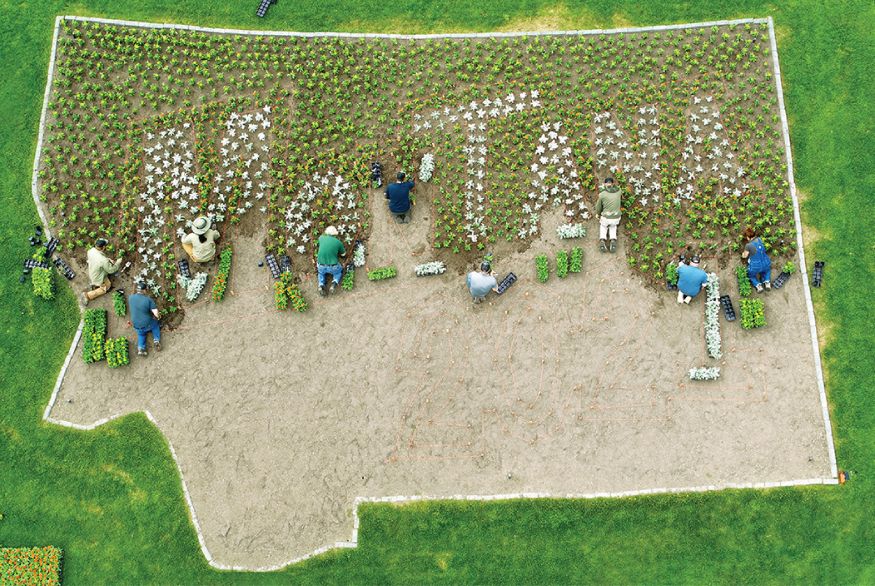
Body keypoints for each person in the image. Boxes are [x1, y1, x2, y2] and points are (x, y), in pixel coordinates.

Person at [83, 238, 123, 305]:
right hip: (97, 278)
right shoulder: (103, 260)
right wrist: (118, 262)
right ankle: (88, 295)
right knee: (107, 286)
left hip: (92, 271)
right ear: (104, 247)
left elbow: (98, 259)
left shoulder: (91, 251)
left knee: (104, 267)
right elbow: (111, 270)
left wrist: (108, 260)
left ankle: (96, 283)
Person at [128, 282, 161, 357]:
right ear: (144, 290)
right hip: (147, 324)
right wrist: (158, 317)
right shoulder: (148, 300)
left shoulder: (130, 298)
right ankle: (156, 340)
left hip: (135, 324)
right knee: (155, 325)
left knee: (141, 334)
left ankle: (141, 348)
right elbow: (156, 313)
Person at [316, 226, 346, 296]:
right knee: (338, 272)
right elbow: (343, 254)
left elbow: (320, 244)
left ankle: (321, 285)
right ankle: (334, 283)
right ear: (335, 234)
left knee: (320, 273)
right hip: (333, 266)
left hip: (321, 265)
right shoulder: (338, 242)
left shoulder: (321, 238)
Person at [595, 176, 622, 253]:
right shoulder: (619, 191)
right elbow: (618, 187)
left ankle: (602, 240)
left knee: (603, 226)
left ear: (604, 184)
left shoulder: (602, 194)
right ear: (613, 183)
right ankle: (613, 239)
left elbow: (598, 207)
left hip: (606, 217)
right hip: (616, 217)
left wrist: (598, 214)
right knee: (613, 226)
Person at [742, 227, 772, 292]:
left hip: (756, 266)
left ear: (747, 237)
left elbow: (745, 256)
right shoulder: (759, 239)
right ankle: (767, 282)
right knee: (767, 271)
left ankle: (758, 286)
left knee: (751, 275)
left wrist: (743, 254)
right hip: (765, 262)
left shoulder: (748, 245)